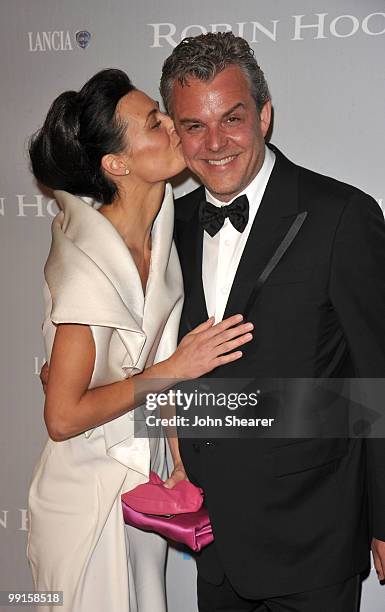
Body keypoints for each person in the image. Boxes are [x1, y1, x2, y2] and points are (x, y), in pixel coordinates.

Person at [159, 32, 385, 611]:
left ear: (264, 114)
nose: (214, 143)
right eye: (194, 126)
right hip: (214, 542)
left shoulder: (341, 215)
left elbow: (377, 377)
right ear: (176, 132)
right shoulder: (169, 226)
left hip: (313, 536)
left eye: (231, 118)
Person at [27, 68, 254, 612]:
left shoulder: (160, 235)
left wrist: (176, 456)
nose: (174, 125)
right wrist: (178, 367)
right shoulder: (84, 266)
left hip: (140, 482)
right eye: (155, 121)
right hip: (86, 496)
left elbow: (149, 371)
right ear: (117, 164)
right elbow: (62, 417)